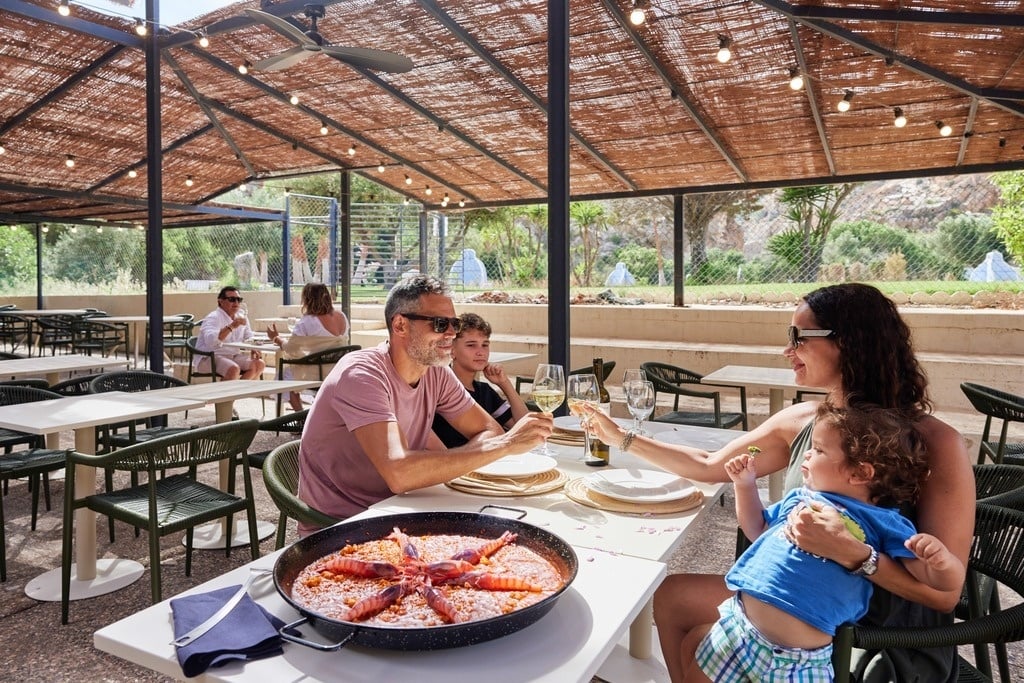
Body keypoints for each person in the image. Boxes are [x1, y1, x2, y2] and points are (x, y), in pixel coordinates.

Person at [583, 282, 974, 683]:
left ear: (850, 343)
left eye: (798, 337)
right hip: (796, 593)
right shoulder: (804, 420)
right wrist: (621, 438)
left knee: (701, 641)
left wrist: (854, 554)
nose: (787, 350)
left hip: (880, 633)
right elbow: (708, 464)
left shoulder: (936, 443)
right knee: (671, 598)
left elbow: (945, 594)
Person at [682, 401, 964, 682]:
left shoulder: (886, 524)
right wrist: (744, 485)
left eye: (818, 450)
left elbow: (941, 583)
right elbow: (757, 528)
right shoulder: (799, 499)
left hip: (801, 662)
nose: (806, 454)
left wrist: (942, 562)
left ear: (859, 473)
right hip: (738, 630)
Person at [296, 275, 553, 535]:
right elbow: (400, 474)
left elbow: (489, 430)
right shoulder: (362, 374)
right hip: (342, 525)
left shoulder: (435, 372)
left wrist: (434, 464)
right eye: (441, 324)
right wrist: (505, 446)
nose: (452, 333)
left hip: (406, 508)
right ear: (400, 326)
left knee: (516, 532)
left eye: (455, 323)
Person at [432, 312, 529, 447]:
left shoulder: (484, 391)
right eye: (471, 345)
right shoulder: (439, 391)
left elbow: (523, 425)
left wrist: (505, 384)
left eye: (485, 345)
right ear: (451, 351)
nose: (481, 352)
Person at [267, 282, 349, 411]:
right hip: (339, 369)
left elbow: (291, 348)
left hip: (319, 371)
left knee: (284, 374)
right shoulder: (342, 316)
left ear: (307, 299)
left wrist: (276, 338)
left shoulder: (308, 321)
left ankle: (301, 419)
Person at [193, 286, 266, 381]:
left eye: (238, 299)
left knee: (259, 364)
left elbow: (248, 335)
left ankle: (237, 393)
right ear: (220, 301)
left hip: (232, 355)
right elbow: (211, 341)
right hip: (209, 357)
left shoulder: (241, 315)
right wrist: (231, 326)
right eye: (232, 299)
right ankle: (224, 394)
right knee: (233, 369)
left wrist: (253, 347)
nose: (236, 303)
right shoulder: (213, 317)